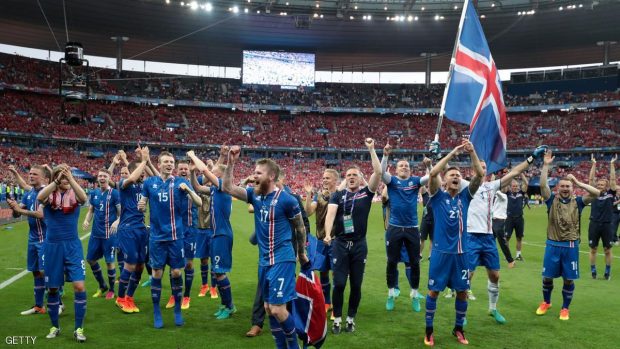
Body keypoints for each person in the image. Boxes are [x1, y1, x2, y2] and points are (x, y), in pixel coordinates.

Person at [223, 146, 308, 349]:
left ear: (271, 176)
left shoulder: (287, 200)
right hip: (264, 260)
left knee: (278, 309)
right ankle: (282, 346)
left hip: (283, 258)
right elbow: (228, 188)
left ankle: (295, 344)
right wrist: (231, 162)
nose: (254, 176)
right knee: (269, 308)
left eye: (258, 173)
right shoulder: (255, 195)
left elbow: (300, 227)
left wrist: (302, 253)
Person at [464, 145, 547, 324]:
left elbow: (515, 171)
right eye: (480, 166)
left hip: (487, 237)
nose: (483, 169)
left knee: (495, 275)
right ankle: (461, 316)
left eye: (485, 167)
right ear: (473, 168)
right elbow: (441, 178)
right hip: (470, 236)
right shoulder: (464, 186)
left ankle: (492, 309)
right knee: (467, 277)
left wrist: (532, 158)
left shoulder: (491, 186)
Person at [424, 140, 484, 347]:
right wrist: (452, 154)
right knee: (434, 292)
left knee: (462, 292)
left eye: (458, 175)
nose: (456, 177)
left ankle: (458, 328)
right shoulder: (437, 197)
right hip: (441, 254)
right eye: (452, 175)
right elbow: (433, 174)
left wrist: (472, 151)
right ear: (445, 182)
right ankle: (429, 330)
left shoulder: (465, 197)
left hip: (461, 254)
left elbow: (480, 175)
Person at [324, 138, 382, 334]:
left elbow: (378, 173)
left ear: (360, 178)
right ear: (344, 178)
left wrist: (371, 149)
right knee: (339, 283)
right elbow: (331, 214)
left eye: (355, 175)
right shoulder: (338, 196)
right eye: (348, 175)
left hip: (359, 245)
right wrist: (327, 234)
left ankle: (350, 318)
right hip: (340, 243)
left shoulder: (367, 193)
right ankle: (337, 318)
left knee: (356, 285)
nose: (351, 177)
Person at [138, 151, 202, 328]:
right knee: (156, 273)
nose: (169, 164)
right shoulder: (149, 183)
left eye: (171, 162)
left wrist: (188, 189)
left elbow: (199, 203)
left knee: (176, 272)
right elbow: (142, 203)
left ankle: (177, 311)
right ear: (158, 164)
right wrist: (141, 205)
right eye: (165, 161)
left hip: (176, 237)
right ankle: (157, 311)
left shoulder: (181, 182)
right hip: (157, 238)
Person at [536, 150, 600, 320]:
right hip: (552, 244)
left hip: (570, 246)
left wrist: (578, 182)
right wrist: (546, 165)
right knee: (547, 277)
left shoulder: (579, 202)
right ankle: (546, 302)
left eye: (568, 186)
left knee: (568, 280)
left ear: (572, 189)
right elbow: (543, 185)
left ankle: (565, 308)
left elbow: (596, 193)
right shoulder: (551, 200)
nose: (565, 188)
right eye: (562, 186)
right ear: (558, 188)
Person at [37, 165, 88, 342]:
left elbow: (83, 197)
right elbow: (39, 197)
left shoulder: (74, 194)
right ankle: (55, 326)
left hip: (73, 246)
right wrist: (57, 180)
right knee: (52, 288)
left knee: (79, 287)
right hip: (53, 247)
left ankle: (79, 329)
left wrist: (70, 179)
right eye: (61, 177)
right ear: (55, 179)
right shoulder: (48, 194)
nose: (65, 179)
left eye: (68, 176)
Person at [380, 142, 430, 312]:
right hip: (394, 227)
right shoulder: (392, 181)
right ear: (395, 169)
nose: (404, 167)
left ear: (410, 169)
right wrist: (385, 155)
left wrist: (429, 166)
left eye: (406, 166)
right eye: (401, 165)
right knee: (391, 262)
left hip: (412, 228)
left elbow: (429, 178)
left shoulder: (415, 181)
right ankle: (391, 293)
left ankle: (414, 294)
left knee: (415, 262)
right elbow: (381, 173)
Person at [187, 150, 236, 319]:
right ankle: (224, 304)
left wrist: (193, 156)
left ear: (220, 176)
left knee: (220, 272)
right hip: (216, 234)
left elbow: (205, 172)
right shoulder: (215, 190)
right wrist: (192, 171)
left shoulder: (223, 187)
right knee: (216, 272)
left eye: (214, 173)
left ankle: (230, 306)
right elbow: (197, 187)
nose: (211, 174)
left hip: (222, 234)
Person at [7, 165, 50, 315]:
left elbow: (41, 215)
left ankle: (57, 302)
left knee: (46, 271)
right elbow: (17, 215)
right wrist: (14, 207)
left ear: (43, 177)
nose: (31, 176)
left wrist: (20, 210)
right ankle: (39, 306)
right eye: (30, 174)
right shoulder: (29, 194)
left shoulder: (46, 193)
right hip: (32, 239)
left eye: (35, 174)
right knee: (36, 272)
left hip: (45, 238)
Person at [115, 148, 151, 313]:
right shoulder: (123, 185)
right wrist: (142, 161)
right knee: (129, 265)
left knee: (140, 267)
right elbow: (131, 176)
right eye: (140, 172)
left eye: (143, 172)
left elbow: (153, 177)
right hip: (128, 229)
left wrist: (145, 159)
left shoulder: (144, 187)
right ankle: (120, 298)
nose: (142, 174)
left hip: (141, 230)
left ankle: (129, 297)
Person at [303, 168, 340, 316]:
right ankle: (327, 302)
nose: (324, 180)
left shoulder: (339, 195)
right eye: (323, 178)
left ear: (335, 180)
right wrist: (308, 194)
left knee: (336, 274)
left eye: (328, 178)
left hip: (336, 240)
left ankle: (336, 308)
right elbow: (308, 212)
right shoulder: (318, 196)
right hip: (320, 239)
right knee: (323, 271)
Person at [164, 159, 197, 310]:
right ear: (177, 170)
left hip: (190, 230)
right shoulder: (173, 184)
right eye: (181, 169)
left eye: (186, 169)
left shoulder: (195, 184)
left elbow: (199, 202)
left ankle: (187, 296)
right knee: (174, 265)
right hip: (175, 230)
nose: (184, 171)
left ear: (189, 170)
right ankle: (174, 294)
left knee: (189, 263)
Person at [83, 169, 121, 300]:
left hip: (109, 234)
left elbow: (122, 213)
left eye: (105, 176)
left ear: (109, 178)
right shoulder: (94, 193)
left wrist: (117, 221)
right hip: (95, 234)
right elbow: (91, 210)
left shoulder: (115, 193)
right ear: (97, 178)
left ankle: (111, 289)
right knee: (90, 259)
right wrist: (87, 220)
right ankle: (102, 285)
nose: (102, 178)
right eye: (100, 176)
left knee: (110, 262)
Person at [587, 154, 616, 280]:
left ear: (607, 186)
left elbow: (613, 181)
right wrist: (594, 164)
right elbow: (590, 180)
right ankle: (593, 271)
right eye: (598, 185)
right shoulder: (594, 193)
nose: (599, 186)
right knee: (593, 249)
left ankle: (607, 272)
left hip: (607, 225)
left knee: (607, 250)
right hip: (594, 224)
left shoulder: (611, 194)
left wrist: (612, 164)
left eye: (602, 185)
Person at [505, 174, 529, 261]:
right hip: (509, 218)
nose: (515, 187)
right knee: (507, 237)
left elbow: (526, 183)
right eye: (513, 186)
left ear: (518, 187)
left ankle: (518, 255)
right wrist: (511, 176)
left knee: (519, 238)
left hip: (519, 218)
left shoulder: (521, 193)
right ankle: (507, 255)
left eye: (516, 186)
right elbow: (504, 184)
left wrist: (522, 175)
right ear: (511, 187)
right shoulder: (508, 193)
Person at [491, 181, 515, 268]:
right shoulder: (497, 197)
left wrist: (492, 187)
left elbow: (497, 193)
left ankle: (511, 260)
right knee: (490, 241)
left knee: (502, 242)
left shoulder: (504, 196)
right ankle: (490, 258)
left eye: (506, 187)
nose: (505, 188)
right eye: (503, 187)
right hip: (493, 221)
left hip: (500, 222)